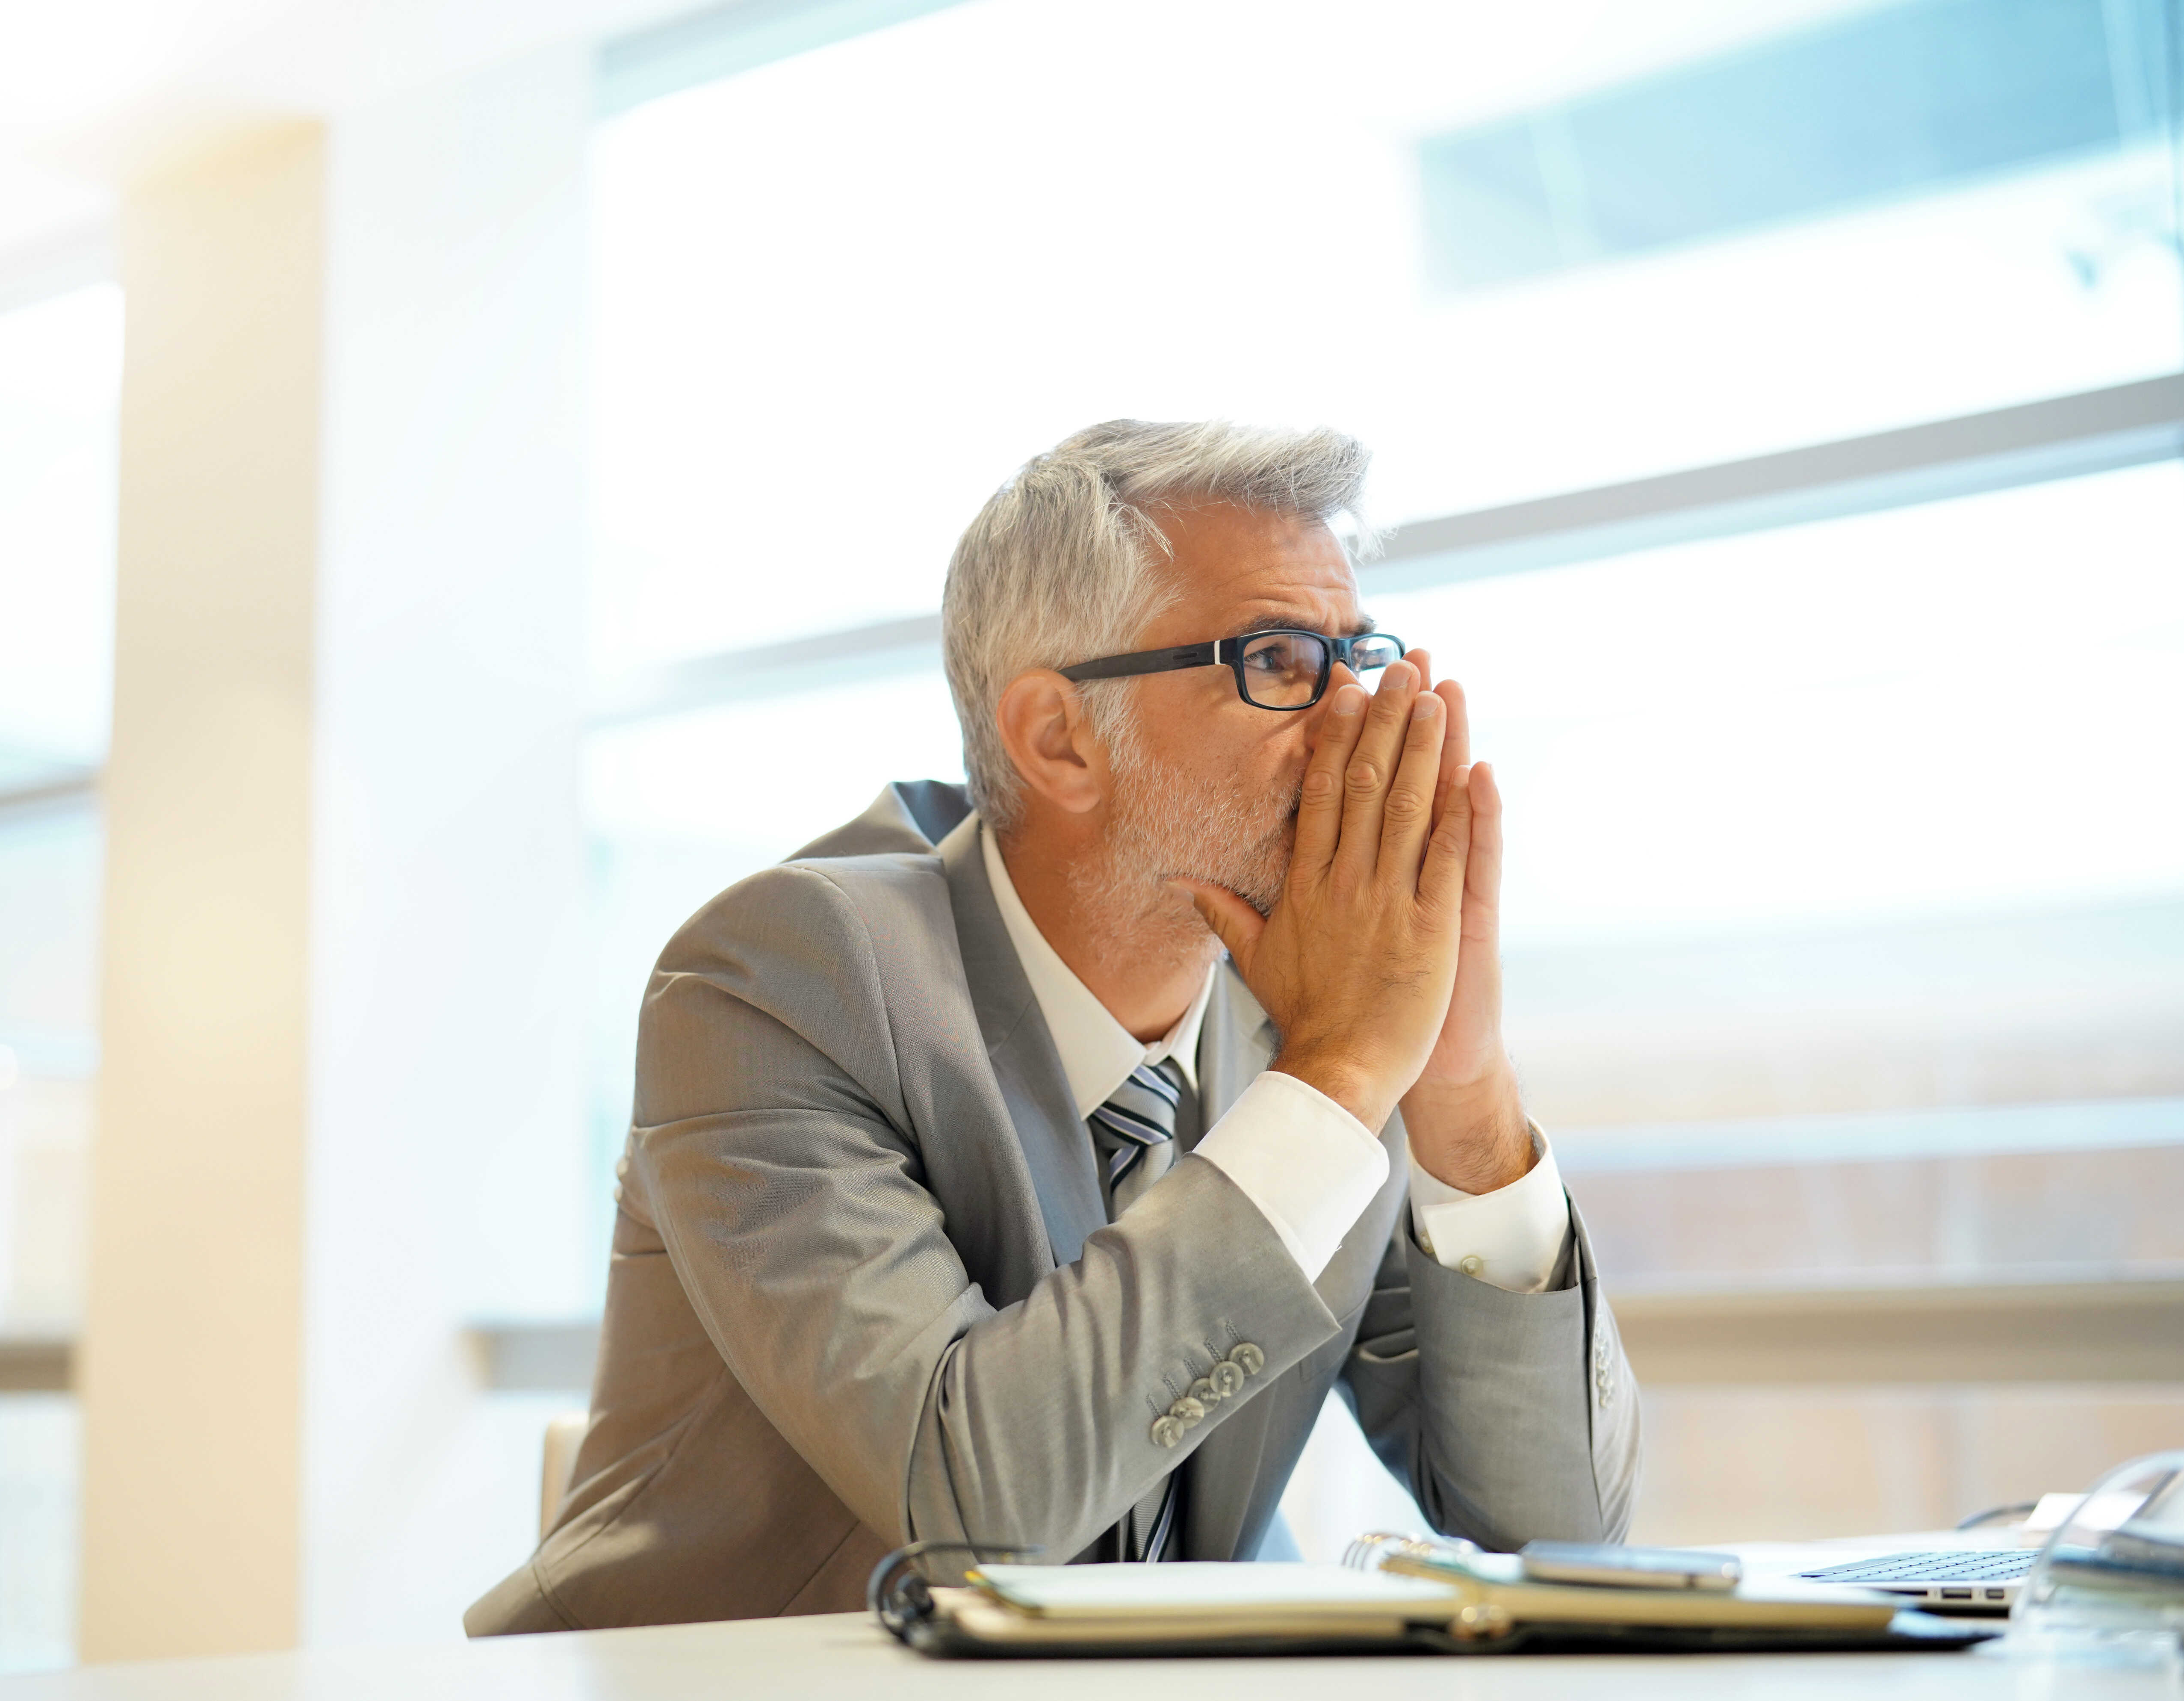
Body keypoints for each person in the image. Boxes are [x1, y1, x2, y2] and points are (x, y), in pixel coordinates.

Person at [466, 421, 1641, 1634]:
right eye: (1284, 660)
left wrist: (1459, 1081)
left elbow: (1558, 1534)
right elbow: (976, 1517)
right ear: (1056, 737)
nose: (1359, 721)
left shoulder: (1312, 1014)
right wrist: (1338, 1075)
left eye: (1362, 657)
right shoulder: (773, 978)